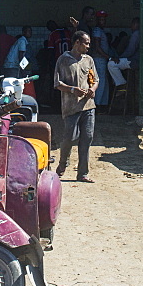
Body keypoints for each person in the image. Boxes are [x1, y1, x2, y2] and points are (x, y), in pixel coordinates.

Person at [53, 30, 98, 183]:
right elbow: (57, 84)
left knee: (87, 137)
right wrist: (73, 89)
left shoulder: (89, 60)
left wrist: (92, 89)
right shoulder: (63, 60)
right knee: (70, 137)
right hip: (71, 107)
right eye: (86, 43)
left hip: (88, 106)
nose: (88, 46)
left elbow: (95, 79)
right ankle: (62, 164)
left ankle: (83, 173)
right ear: (77, 43)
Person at [90, 10, 114, 108]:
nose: (102, 21)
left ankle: (103, 104)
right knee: (99, 82)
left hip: (102, 59)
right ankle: (97, 105)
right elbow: (97, 47)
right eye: (100, 19)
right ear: (97, 20)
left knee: (104, 82)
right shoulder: (97, 31)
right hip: (99, 59)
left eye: (104, 19)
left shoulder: (101, 30)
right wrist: (109, 57)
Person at [107, 17, 141, 87]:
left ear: (135, 24)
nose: (131, 27)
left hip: (134, 61)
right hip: (138, 60)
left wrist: (119, 58)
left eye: (132, 24)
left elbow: (130, 51)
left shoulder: (136, 34)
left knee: (111, 64)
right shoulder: (142, 33)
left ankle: (121, 84)